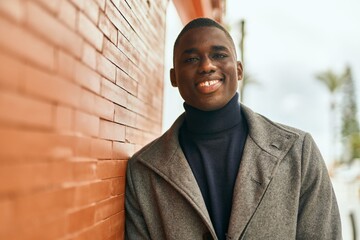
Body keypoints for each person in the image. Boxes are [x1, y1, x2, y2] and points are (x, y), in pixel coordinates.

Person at [125, 17, 342, 240]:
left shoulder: (298, 152)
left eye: (219, 55)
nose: (207, 66)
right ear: (173, 77)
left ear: (238, 70)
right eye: (191, 59)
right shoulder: (143, 171)